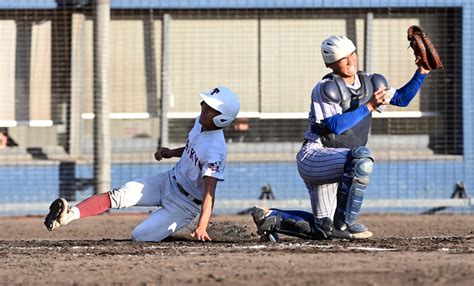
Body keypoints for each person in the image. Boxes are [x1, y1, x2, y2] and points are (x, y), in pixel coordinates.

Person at [252, 35, 430, 241]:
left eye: (351, 54)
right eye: (341, 58)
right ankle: (344, 223)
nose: (350, 61)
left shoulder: (371, 81)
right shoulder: (325, 87)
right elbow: (335, 126)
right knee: (361, 160)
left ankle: (270, 217)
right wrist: (369, 105)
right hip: (315, 156)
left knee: (323, 230)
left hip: (339, 159)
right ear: (330, 64)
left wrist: (422, 72)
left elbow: (401, 99)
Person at [44, 86, 240, 242]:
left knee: (140, 236)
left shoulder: (216, 150)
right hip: (168, 181)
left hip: (185, 205)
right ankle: (69, 215)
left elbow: (209, 193)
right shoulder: (201, 122)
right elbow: (193, 148)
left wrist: (202, 225)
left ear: (222, 118)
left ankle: (180, 226)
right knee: (120, 195)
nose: (203, 106)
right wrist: (171, 152)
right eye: (205, 103)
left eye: (210, 107)